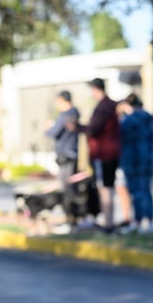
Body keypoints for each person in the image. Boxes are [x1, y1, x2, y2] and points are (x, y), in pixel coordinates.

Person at [79, 78, 121, 233]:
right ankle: (108, 221)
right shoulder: (110, 105)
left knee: (105, 188)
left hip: (104, 154)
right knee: (106, 187)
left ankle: (108, 224)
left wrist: (77, 127)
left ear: (96, 89)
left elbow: (92, 130)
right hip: (110, 153)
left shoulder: (103, 107)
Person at [117, 94, 153, 233]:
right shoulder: (150, 118)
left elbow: (122, 139)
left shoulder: (128, 120)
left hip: (132, 161)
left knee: (137, 193)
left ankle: (139, 222)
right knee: (147, 191)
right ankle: (150, 221)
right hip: (148, 159)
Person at [45, 90, 80, 229]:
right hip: (70, 154)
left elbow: (53, 132)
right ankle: (71, 219)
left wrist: (48, 128)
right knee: (69, 188)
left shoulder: (66, 115)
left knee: (67, 189)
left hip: (66, 155)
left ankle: (70, 220)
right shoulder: (74, 113)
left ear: (62, 100)